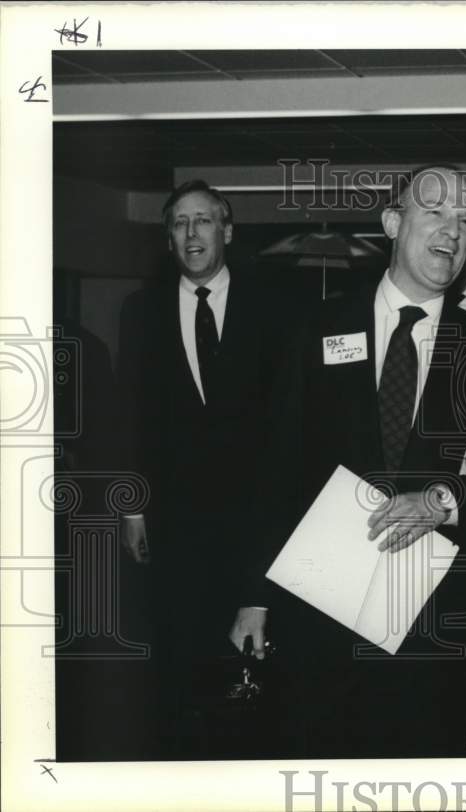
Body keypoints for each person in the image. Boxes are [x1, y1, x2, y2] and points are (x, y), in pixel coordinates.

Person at [230, 165, 466, 758]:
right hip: (316, 609)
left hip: (426, 623)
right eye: (436, 212)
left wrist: (442, 501)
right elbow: (276, 469)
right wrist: (254, 595)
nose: (454, 229)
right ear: (394, 223)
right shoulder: (318, 328)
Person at [116, 180, 292, 757]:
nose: (192, 234)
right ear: (168, 239)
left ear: (228, 231)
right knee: (179, 662)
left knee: (253, 670)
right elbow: (130, 415)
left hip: (256, 520)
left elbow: (292, 419)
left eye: (203, 221)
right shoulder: (141, 312)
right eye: (179, 225)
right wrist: (134, 507)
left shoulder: (272, 305)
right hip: (175, 522)